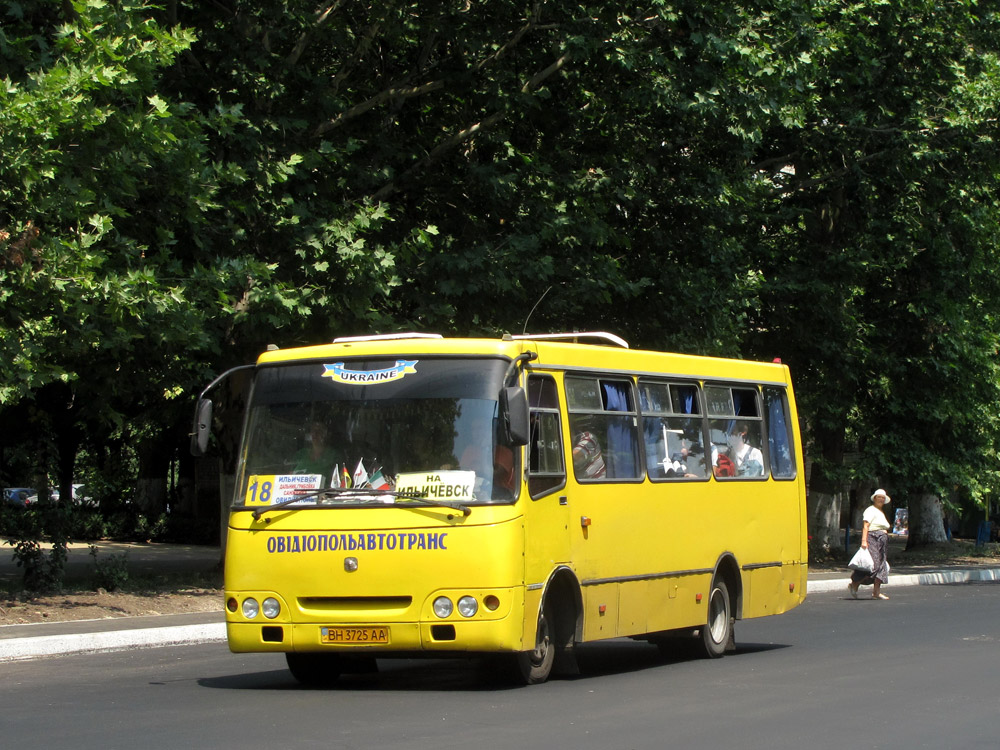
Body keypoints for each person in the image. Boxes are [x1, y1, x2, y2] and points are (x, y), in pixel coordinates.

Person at [849, 489, 892, 600]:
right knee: (873, 565)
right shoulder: (870, 510)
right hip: (873, 539)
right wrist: (864, 541)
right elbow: (866, 526)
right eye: (879, 497)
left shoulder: (880, 511)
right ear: (874, 498)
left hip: (882, 540)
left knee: (881, 566)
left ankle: (876, 592)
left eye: (883, 497)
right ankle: (855, 583)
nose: (881, 499)